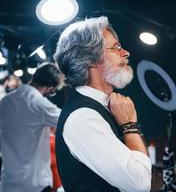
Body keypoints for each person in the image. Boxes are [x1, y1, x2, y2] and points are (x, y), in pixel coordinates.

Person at [54, 16, 151, 192]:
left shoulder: (106, 107)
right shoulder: (83, 117)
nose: (125, 53)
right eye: (116, 47)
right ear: (90, 58)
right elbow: (140, 183)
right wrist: (129, 126)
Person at [0, 63, 64, 192]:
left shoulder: (5, 101)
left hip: (9, 184)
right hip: (34, 184)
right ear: (51, 88)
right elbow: (69, 121)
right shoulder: (39, 104)